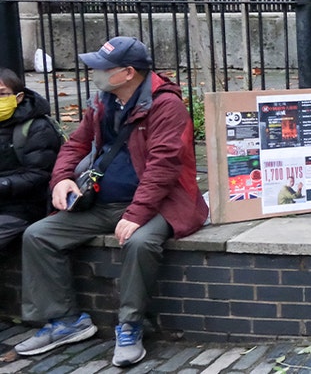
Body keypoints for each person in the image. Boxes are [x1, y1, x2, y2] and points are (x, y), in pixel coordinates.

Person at [14, 36, 208, 368]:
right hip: (104, 201)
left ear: (128, 72)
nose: (95, 73)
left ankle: (130, 325)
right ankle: (65, 321)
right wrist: (61, 178)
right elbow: (76, 143)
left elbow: (164, 165)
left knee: (139, 242)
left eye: (103, 68)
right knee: (39, 235)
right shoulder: (104, 101)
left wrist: (136, 214)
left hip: (162, 204)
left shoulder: (165, 105)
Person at [0, 68, 62, 248]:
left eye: (2, 94)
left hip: (21, 209)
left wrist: (4, 185)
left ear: (18, 97)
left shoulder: (37, 127)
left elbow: (40, 175)